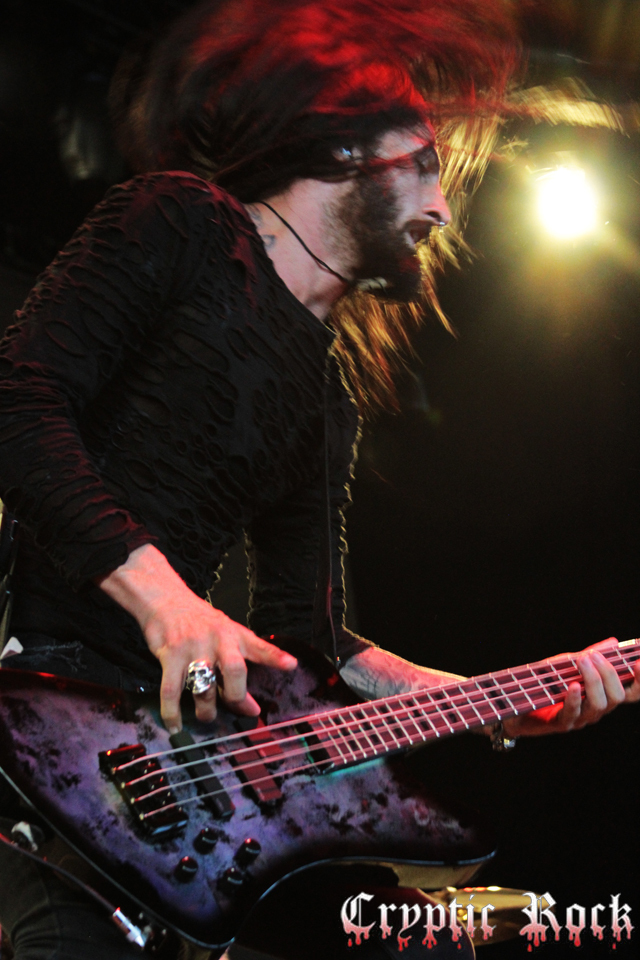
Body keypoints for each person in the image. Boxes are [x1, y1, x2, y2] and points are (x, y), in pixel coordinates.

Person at [0, 2, 638, 958]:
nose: (442, 210)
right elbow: (17, 399)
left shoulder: (326, 391)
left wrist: (492, 699)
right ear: (345, 149)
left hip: (170, 787)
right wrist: (168, 603)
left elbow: (314, 645)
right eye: (424, 165)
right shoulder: (180, 219)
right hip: (41, 717)